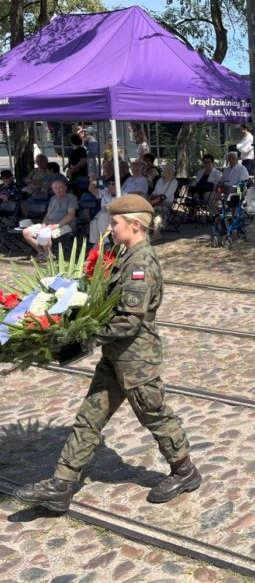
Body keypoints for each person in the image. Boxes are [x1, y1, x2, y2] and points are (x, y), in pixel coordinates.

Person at [14, 194, 202, 512]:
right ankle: (62, 484)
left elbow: (129, 321)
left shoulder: (141, 264)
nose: (110, 228)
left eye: (115, 223)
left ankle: (185, 471)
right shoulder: (125, 256)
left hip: (136, 359)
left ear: (134, 224)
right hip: (115, 356)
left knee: (154, 415)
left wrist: (82, 336)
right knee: (89, 418)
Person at [22, 177, 78, 262]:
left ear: (65, 187)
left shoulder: (71, 198)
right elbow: (48, 215)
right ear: (52, 189)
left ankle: (48, 256)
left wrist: (56, 225)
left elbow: (71, 215)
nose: (58, 190)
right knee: (26, 232)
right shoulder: (53, 199)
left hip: (65, 225)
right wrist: (44, 224)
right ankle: (42, 253)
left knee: (45, 234)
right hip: (50, 224)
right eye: (55, 188)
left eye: (60, 188)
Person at [88, 167, 118, 245]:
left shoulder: (123, 194)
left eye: (113, 184)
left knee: (102, 216)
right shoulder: (105, 191)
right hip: (104, 213)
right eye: (109, 183)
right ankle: (95, 245)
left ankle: (105, 242)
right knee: (93, 223)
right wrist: (92, 182)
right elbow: (91, 190)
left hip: (115, 215)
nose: (111, 185)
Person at [148, 162, 178, 238]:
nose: (167, 171)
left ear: (173, 172)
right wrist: (150, 197)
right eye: (166, 169)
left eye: (169, 170)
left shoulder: (174, 182)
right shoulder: (160, 180)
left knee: (159, 209)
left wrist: (153, 201)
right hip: (156, 200)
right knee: (148, 208)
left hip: (166, 202)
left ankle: (156, 231)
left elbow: (167, 196)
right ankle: (150, 229)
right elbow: (155, 191)